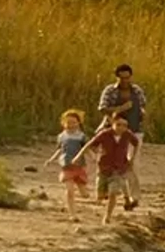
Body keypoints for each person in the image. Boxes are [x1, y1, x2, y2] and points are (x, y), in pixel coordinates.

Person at [69, 114, 140, 224]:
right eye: (118, 125)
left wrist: (132, 158)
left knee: (113, 193)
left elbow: (136, 143)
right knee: (100, 195)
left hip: (119, 168)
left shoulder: (127, 134)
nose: (121, 128)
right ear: (112, 124)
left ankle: (107, 217)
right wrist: (79, 156)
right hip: (104, 168)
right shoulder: (105, 134)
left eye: (124, 125)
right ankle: (126, 197)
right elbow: (90, 145)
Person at [98, 64, 149, 210]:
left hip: (134, 130)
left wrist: (143, 115)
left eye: (127, 77)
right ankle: (105, 191)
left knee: (133, 164)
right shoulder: (110, 90)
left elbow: (143, 106)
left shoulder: (137, 90)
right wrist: (120, 109)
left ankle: (134, 197)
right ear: (117, 77)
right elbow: (102, 109)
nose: (125, 80)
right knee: (106, 160)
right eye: (122, 78)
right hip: (111, 131)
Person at [43, 109, 90, 214]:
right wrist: (51, 159)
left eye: (73, 122)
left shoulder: (81, 136)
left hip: (79, 166)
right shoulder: (61, 136)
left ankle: (80, 186)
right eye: (68, 122)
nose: (70, 125)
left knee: (85, 194)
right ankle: (72, 213)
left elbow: (86, 148)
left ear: (78, 123)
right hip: (66, 166)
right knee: (70, 191)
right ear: (63, 123)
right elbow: (60, 149)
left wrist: (94, 157)